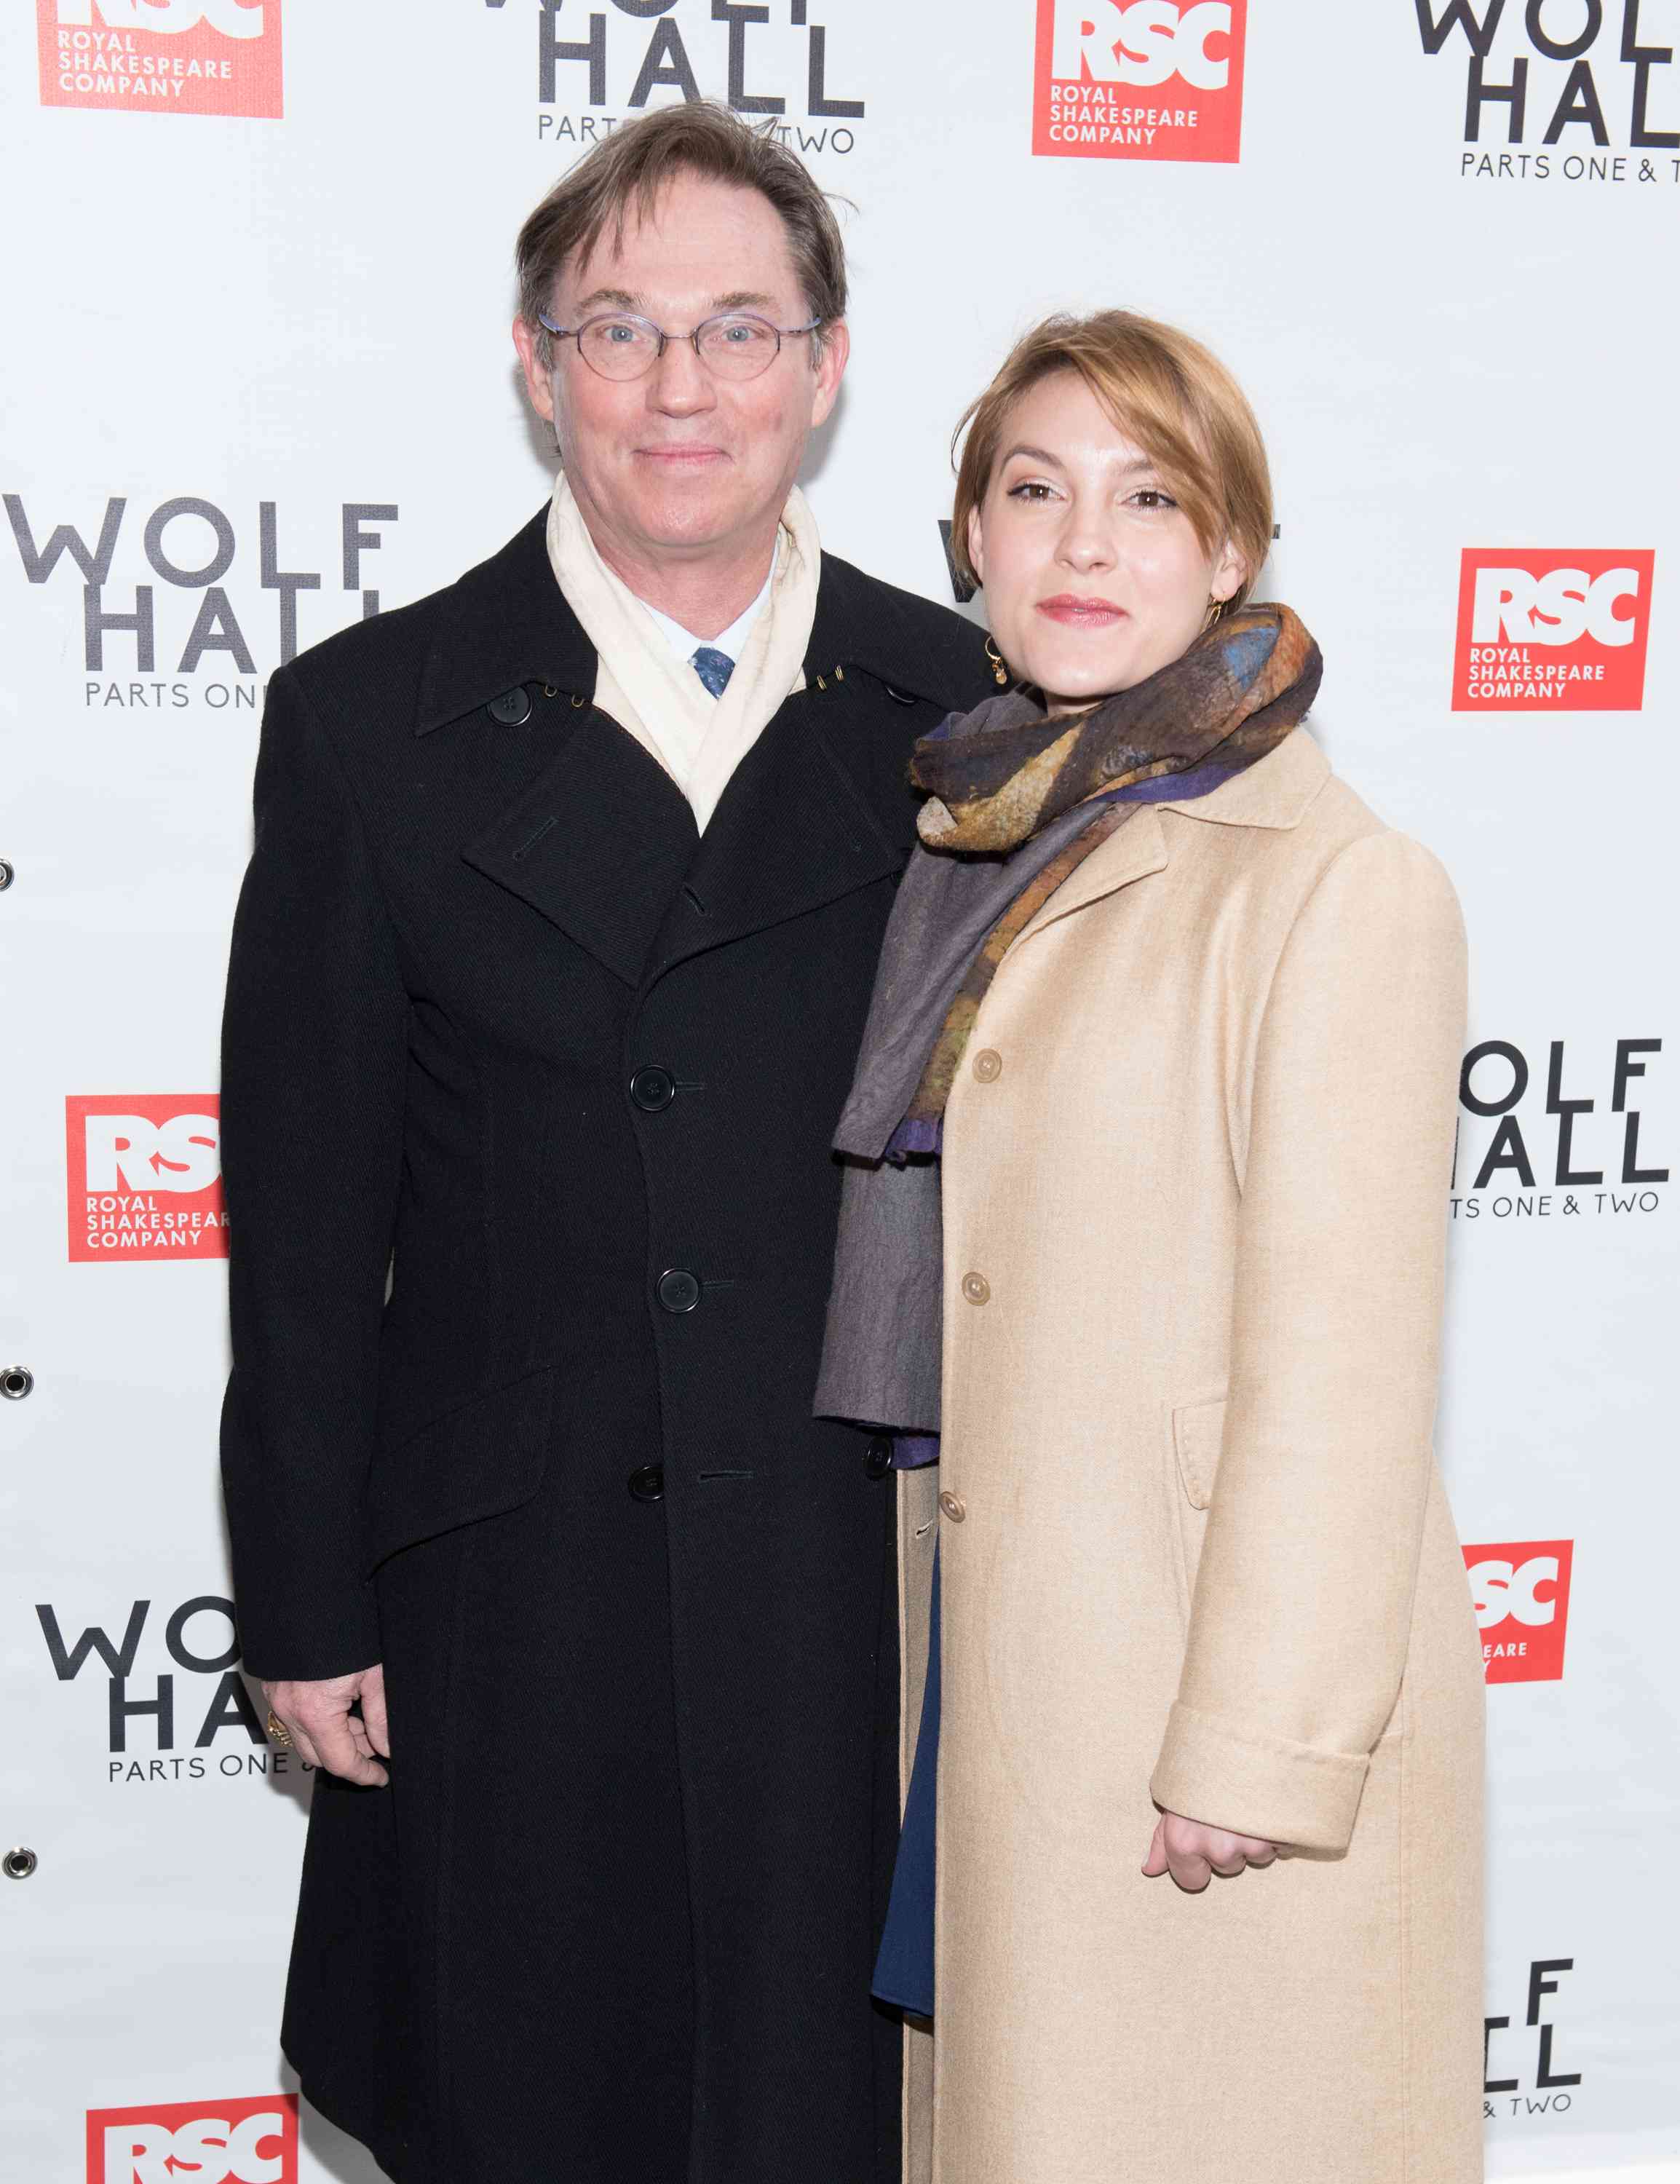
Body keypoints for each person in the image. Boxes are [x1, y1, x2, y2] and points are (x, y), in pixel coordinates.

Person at [218, 104, 991, 2184]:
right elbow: (302, 1211)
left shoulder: (968, 709)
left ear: (824, 370)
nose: (681, 389)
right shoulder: (371, 718)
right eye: (623, 328)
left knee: (828, 2118)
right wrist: (300, 1596)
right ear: (537, 363)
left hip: (853, 1583)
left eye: (740, 331)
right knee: (534, 2106)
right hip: (510, 1586)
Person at [817, 310, 1485, 2183]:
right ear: (968, 540)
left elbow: (1339, 1368)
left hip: (1193, 1694)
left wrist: (1253, 1742)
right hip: (1005, 1645)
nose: (1083, 543)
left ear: (1230, 554)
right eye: (1032, 491)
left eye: (1145, 496)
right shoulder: (974, 841)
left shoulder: (1339, 885)